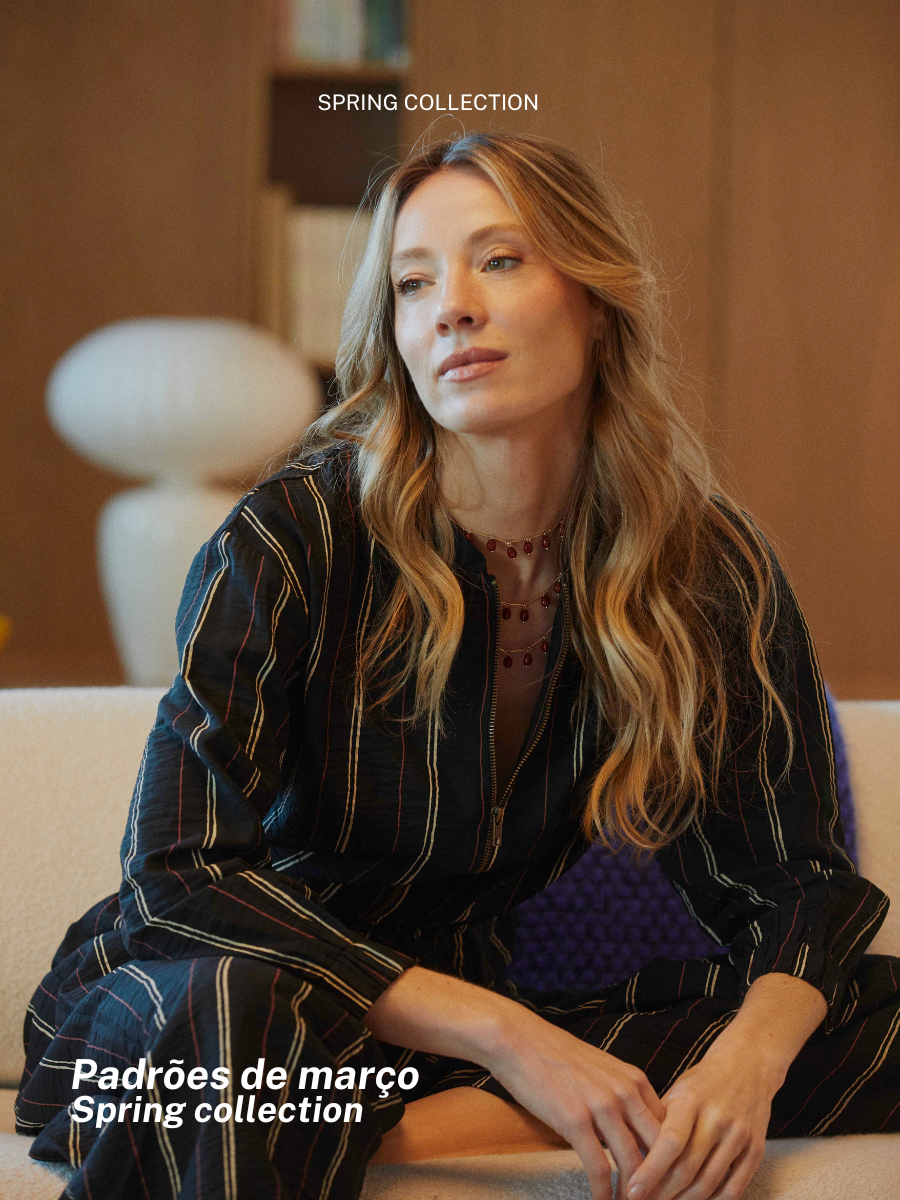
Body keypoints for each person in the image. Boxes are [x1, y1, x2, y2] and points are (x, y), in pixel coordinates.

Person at [16, 130, 900, 1200]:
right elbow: (178, 873)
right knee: (236, 1023)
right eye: (414, 283)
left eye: (500, 260)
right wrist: (511, 1039)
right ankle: (357, 1119)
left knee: (861, 1008)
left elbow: (794, 880)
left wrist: (745, 1066)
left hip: (428, 1040)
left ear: (594, 298)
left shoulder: (702, 563)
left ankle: (378, 1136)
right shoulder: (295, 536)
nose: (452, 308)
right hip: (202, 1003)